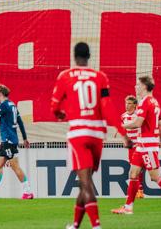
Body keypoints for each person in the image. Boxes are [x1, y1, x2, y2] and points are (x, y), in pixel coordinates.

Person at [50, 42, 109, 229]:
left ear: (74, 57)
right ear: (89, 56)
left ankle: (96, 226)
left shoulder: (65, 76)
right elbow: (107, 106)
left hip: (79, 133)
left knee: (86, 183)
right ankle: (75, 225)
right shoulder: (100, 76)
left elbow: (54, 107)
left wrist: (60, 114)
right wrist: (123, 134)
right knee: (85, 183)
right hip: (97, 134)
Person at [112, 77, 161, 216]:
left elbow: (138, 123)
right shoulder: (155, 102)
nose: (136, 86)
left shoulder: (145, 102)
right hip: (142, 145)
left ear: (144, 86)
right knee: (133, 174)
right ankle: (128, 207)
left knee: (155, 176)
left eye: (138, 84)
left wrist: (121, 126)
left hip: (147, 145)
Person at [114, 95, 146, 210]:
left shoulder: (138, 115)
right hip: (131, 146)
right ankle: (139, 190)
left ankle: (139, 190)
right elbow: (121, 128)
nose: (127, 105)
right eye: (126, 103)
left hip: (139, 144)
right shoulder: (123, 116)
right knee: (134, 168)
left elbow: (140, 126)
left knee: (138, 168)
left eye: (129, 103)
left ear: (135, 105)